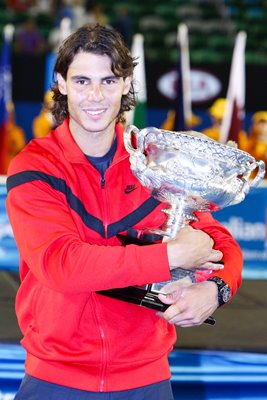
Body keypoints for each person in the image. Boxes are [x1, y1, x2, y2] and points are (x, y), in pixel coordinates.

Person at [6, 24, 243, 400]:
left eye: (109, 80)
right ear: (61, 83)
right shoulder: (36, 167)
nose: (95, 96)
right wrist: (169, 256)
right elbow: (61, 265)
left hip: (147, 381)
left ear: (126, 83)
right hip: (55, 380)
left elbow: (219, 242)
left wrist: (216, 289)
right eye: (82, 81)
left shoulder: (155, 163)